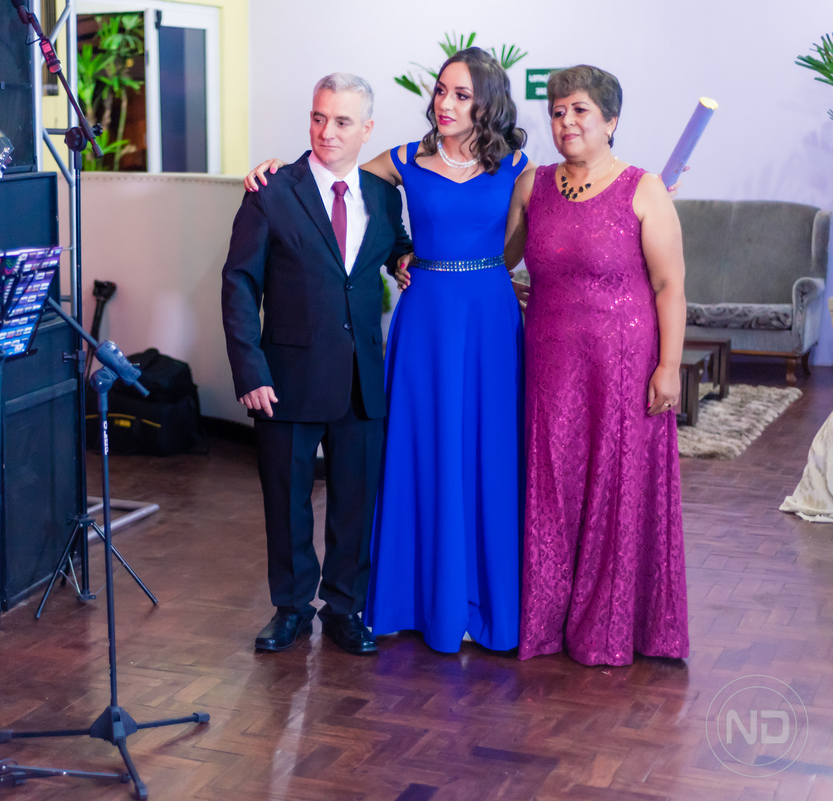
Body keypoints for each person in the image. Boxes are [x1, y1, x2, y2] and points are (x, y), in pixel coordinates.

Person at [244, 47, 532, 653]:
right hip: (416, 329)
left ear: (487, 103)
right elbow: (328, 170)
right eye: (441, 90)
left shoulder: (517, 168)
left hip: (481, 323)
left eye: (461, 94)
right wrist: (275, 171)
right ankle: (331, 604)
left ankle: (411, 601)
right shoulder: (398, 163)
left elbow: (515, 241)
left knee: (467, 458)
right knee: (411, 458)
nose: (444, 102)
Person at [222, 73, 412, 655]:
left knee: (356, 502)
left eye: (342, 121)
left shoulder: (384, 196)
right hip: (286, 379)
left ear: (367, 129)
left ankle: (346, 608)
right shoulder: (271, 191)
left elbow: (393, 247)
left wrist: (404, 258)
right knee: (287, 502)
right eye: (318, 117)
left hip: (362, 380)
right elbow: (239, 283)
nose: (327, 131)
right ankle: (291, 608)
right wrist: (250, 370)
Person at [505, 65, 689, 666]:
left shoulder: (645, 188)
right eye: (557, 111)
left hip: (623, 367)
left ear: (611, 120)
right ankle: (546, 621)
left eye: (580, 110)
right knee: (551, 486)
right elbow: (497, 262)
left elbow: (669, 286)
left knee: (615, 488)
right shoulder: (533, 185)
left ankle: (608, 629)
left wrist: (669, 366)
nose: (566, 121)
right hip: (551, 365)